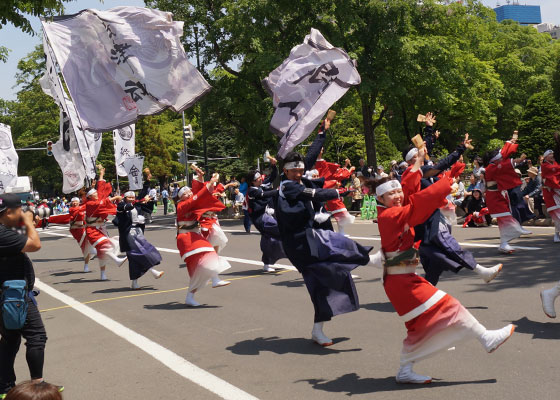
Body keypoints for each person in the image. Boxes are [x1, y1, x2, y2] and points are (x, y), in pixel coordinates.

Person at [371, 150, 515, 384]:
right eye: (390, 194)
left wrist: (417, 164)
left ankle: (406, 370)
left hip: (403, 279)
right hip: (401, 281)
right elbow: (416, 203)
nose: (397, 195)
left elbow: (409, 190)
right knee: (449, 306)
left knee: (418, 328)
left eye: (397, 191)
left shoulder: (393, 209)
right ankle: (485, 337)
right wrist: (445, 183)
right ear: (380, 199)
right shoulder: (390, 216)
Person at [274, 151, 372, 346]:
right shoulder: (289, 187)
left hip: (312, 239)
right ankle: (367, 258)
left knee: (325, 283)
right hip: (300, 244)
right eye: (294, 170)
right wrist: (342, 192)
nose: (298, 173)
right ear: (285, 171)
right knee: (325, 272)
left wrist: (322, 132)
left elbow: (309, 162)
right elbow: (318, 194)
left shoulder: (302, 181)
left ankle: (317, 330)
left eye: (301, 169)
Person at [402, 132, 501, 286]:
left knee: (435, 259)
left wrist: (458, 148)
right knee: (447, 245)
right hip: (424, 220)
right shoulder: (412, 173)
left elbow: (436, 162)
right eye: (419, 153)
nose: (424, 152)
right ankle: (481, 271)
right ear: (412, 159)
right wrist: (459, 150)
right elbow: (439, 166)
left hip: (429, 217)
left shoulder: (422, 171)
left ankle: (426, 292)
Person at [0, 194, 63, 397]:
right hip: (13, 295)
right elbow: (35, 244)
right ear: (9, 212)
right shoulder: (2, 234)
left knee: (10, 340)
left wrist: (27, 221)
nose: (22, 214)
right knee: (37, 336)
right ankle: (38, 384)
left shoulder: (5, 230)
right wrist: (28, 221)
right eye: (19, 210)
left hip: (9, 293)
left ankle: (5, 387)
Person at [176, 176, 231, 307]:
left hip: (193, 235)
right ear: (180, 198)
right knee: (206, 256)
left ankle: (192, 295)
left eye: (189, 191)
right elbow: (198, 196)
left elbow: (198, 192)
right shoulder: (182, 205)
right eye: (185, 194)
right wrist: (211, 182)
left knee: (199, 267)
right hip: (186, 238)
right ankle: (214, 279)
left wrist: (200, 178)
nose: (189, 193)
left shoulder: (190, 202)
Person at [483, 136, 531, 254]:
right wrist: (516, 159)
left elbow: (504, 161)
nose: (501, 160)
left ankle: (504, 244)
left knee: (503, 220)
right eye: (499, 158)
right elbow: (505, 164)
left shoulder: (493, 166)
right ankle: (517, 229)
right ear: (495, 159)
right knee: (505, 217)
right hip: (493, 196)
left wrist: (511, 144)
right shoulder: (490, 168)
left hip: (499, 194)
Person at [85, 165, 126, 281]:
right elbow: (103, 201)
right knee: (104, 246)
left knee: (103, 252)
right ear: (90, 197)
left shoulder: (96, 200)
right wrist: (115, 198)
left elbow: (101, 191)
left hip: (101, 228)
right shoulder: (90, 204)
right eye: (95, 194)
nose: (97, 194)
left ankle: (103, 274)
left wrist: (101, 174)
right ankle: (116, 260)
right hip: (92, 230)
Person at [116, 192, 164, 290]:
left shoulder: (136, 206)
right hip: (128, 233)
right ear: (124, 198)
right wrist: (140, 200)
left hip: (138, 231)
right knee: (141, 253)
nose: (131, 199)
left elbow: (148, 209)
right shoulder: (121, 205)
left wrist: (149, 201)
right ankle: (153, 272)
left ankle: (135, 283)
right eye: (129, 197)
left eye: (133, 197)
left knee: (135, 258)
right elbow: (126, 207)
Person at [246, 157, 285, 273]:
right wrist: (279, 191)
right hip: (260, 218)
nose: (260, 178)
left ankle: (267, 263)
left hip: (267, 216)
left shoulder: (260, 186)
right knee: (281, 230)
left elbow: (272, 177)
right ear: (253, 181)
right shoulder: (252, 190)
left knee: (270, 239)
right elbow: (264, 194)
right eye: (258, 178)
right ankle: (269, 261)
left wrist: (273, 166)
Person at [42, 197, 94, 273]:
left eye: (76, 202)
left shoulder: (82, 208)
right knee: (84, 247)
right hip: (76, 231)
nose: (75, 203)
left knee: (86, 245)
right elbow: (80, 210)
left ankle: (87, 263)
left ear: (79, 202)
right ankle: (90, 255)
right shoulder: (71, 209)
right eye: (73, 202)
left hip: (84, 229)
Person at [540, 149, 560, 242]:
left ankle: (556, 234)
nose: (552, 155)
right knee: (557, 216)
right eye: (550, 154)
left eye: (553, 154)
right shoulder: (545, 166)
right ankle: (556, 234)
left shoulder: (556, 163)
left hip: (557, 190)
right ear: (546, 157)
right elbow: (553, 177)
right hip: (550, 193)